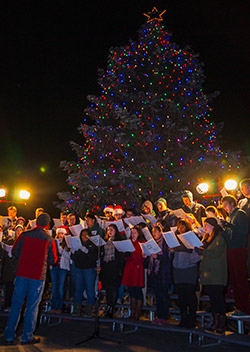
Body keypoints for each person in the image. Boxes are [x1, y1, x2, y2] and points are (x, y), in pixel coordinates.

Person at [4, 213, 58, 345]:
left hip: (22, 273)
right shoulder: (49, 240)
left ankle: (9, 334)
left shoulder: (24, 235)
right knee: (32, 306)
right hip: (38, 276)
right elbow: (53, 260)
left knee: (16, 304)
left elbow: (15, 251)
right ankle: (27, 336)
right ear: (47, 225)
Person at [221, 195, 250, 317]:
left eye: (226, 205)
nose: (225, 208)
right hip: (231, 249)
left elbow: (244, 231)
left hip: (239, 248)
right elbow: (228, 234)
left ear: (232, 203)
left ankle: (246, 308)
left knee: (240, 278)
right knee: (235, 278)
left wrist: (228, 225)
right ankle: (239, 306)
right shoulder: (230, 216)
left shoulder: (240, 214)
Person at [198, 217, 228, 334]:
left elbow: (215, 253)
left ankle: (221, 323)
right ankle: (215, 321)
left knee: (218, 299)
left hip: (216, 274)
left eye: (206, 225)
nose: (204, 227)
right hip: (209, 275)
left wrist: (202, 251)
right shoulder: (207, 238)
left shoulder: (219, 239)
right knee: (213, 300)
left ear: (213, 226)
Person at [172, 219, 201, 328]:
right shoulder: (176, 239)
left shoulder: (191, 238)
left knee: (190, 295)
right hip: (178, 270)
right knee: (181, 296)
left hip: (189, 270)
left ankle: (192, 318)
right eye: (179, 227)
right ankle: (183, 317)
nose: (180, 229)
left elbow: (197, 256)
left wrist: (188, 254)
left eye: (183, 227)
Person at [70, 228, 98, 317]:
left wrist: (87, 251)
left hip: (89, 269)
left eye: (86, 235)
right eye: (82, 235)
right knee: (78, 290)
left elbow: (95, 257)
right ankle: (77, 310)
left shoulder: (93, 245)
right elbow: (73, 258)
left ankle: (89, 310)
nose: (84, 237)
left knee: (90, 290)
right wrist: (73, 252)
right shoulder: (78, 245)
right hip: (78, 269)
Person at [99, 224, 125, 318]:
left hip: (114, 267)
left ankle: (111, 308)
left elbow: (121, 257)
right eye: (108, 230)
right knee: (108, 288)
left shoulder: (119, 242)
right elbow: (102, 255)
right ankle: (108, 306)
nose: (110, 231)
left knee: (113, 288)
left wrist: (120, 269)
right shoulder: (105, 242)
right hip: (106, 267)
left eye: (112, 230)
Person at [148, 224, 171, 325]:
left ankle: (164, 317)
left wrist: (157, 257)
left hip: (163, 272)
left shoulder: (165, 244)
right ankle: (159, 316)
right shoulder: (153, 243)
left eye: (155, 232)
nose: (154, 234)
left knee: (164, 296)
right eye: (152, 232)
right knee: (158, 296)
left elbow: (168, 258)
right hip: (155, 273)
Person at [121, 226, 145, 320]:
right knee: (131, 291)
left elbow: (141, 256)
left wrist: (132, 256)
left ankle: (137, 313)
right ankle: (132, 312)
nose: (133, 234)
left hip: (137, 268)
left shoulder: (141, 243)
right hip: (130, 267)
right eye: (132, 232)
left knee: (137, 291)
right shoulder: (129, 242)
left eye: (134, 232)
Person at [1, 224, 24, 312]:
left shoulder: (24, 241)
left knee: (18, 289)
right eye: (17, 230)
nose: (18, 232)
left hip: (19, 268)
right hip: (10, 268)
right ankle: (7, 304)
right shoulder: (10, 241)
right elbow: (4, 252)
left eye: (20, 230)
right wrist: (8, 254)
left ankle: (16, 306)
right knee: (9, 288)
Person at [49, 227, 71, 314]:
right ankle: (53, 306)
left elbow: (69, 257)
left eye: (62, 234)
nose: (60, 235)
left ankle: (59, 307)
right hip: (54, 267)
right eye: (59, 234)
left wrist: (63, 251)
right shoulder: (53, 243)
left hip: (63, 268)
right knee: (54, 287)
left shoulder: (67, 244)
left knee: (61, 287)